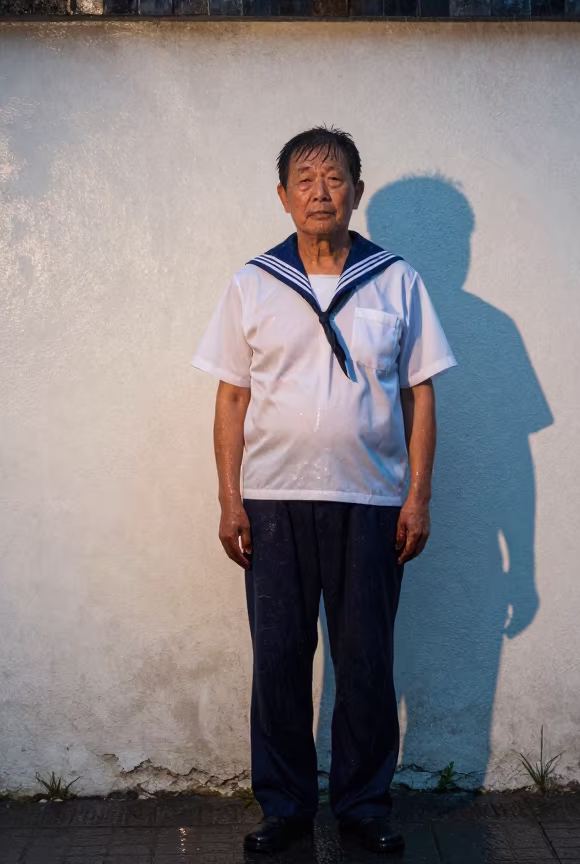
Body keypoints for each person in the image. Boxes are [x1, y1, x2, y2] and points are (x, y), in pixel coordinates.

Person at [191, 127, 456, 855]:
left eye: (334, 178)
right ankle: (285, 808)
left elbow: (420, 395)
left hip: (371, 501)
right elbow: (231, 399)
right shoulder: (252, 283)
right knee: (278, 658)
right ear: (282, 196)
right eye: (304, 179)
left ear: (357, 193)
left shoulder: (397, 279)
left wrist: (419, 496)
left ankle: (365, 807)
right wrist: (228, 498)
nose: (319, 191)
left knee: (366, 659)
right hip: (273, 501)